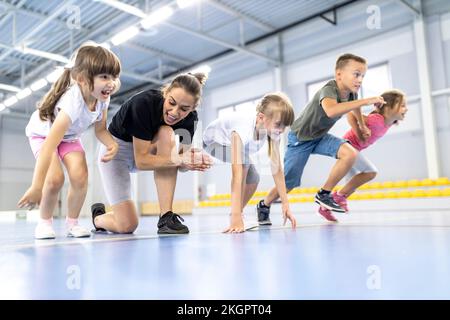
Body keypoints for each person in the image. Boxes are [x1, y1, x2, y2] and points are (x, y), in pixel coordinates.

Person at [256, 53, 386, 223]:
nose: (360, 79)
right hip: (300, 138)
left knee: (350, 154)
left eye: (363, 76)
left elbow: (354, 108)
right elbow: (331, 110)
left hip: (320, 136)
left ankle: (324, 194)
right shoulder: (329, 90)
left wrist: (361, 125)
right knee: (289, 183)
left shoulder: (352, 94)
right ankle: (264, 205)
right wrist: (366, 101)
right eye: (356, 74)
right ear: (339, 74)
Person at [18, 42, 121, 239]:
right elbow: (49, 147)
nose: (111, 83)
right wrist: (37, 186)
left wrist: (112, 143)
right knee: (55, 179)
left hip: (70, 136)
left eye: (114, 77)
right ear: (82, 79)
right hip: (44, 135)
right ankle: (44, 222)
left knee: (80, 177)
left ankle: (72, 223)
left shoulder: (103, 99)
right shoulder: (72, 103)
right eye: (104, 77)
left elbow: (100, 129)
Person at [92, 72, 212, 235]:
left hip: (151, 152)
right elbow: (143, 161)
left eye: (184, 109)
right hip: (116, 154)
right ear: (166, 93)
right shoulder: (143, 104)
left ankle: (166, 218)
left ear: (192, 109)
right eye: (172, 102)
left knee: (165, 132)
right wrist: (180, 160)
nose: (175, 112)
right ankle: (98, 218)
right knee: (127, 226)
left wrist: (193, 160)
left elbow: (180, 164)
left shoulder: (190, 120)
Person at [203, 92, 297, 233]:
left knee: (254, 178)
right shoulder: (243, 127)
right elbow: (237, 174)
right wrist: (235, 218)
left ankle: (238, 212)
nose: (282, 130)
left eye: (285, 126)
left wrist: (286, 204)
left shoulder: (273, 132)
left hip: (233, 146)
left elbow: (277, 169)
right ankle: (236, 215)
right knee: (244, 163)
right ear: (261, 117)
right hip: (213, 142)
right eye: (279, 125)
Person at [319, 89, 407, 219]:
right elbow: (350, 114)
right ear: (388, 108)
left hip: (354, 149)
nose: (406, 109)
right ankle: (336, 197)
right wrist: (359, 132)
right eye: (403, 105)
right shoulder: (376, 120)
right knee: (371, 172)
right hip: (348, 147)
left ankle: (324, 208)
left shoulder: (389, 122)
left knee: (351, 186)